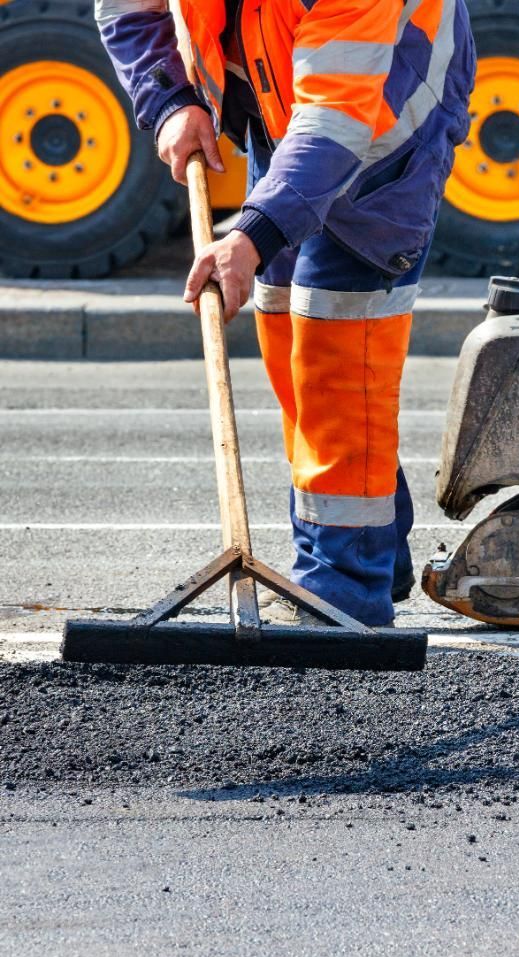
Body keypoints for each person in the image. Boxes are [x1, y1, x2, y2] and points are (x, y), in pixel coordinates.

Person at [95, 0, 476, 626]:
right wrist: (168, 98)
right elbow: (125, 8)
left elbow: (337, 118)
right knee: (285, 332)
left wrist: (250, 235)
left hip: (385, 125)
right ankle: (375, 548)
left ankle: (343, 586)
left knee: (335, 352)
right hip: (283, 110)